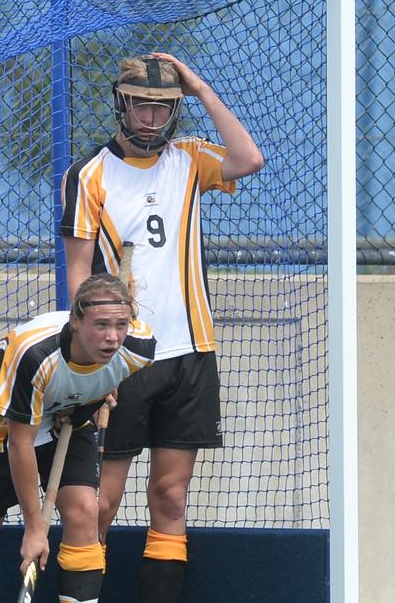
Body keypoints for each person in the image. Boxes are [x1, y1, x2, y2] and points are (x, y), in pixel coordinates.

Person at [59, 52, 265, 602]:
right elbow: (78, 274)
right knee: (100, 503)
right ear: (121, 104)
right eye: (142, 106)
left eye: (163, 108)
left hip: (190, 352)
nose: (151, 118)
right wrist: (84, 359)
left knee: (171, 497)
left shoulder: (190, 158)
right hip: (121, 358)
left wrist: (199, 88)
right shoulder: (89, 174)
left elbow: (248, 159)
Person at [0, 273, 157, 603]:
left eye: (121, 325)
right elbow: (19, 443)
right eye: (101, 325)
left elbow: (108, 376)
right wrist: (35, 528)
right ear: (76, 321)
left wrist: (92, 395)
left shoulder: (138, 349)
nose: (112, 337)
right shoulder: (36, 355)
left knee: (85, 511)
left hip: (64, 414)